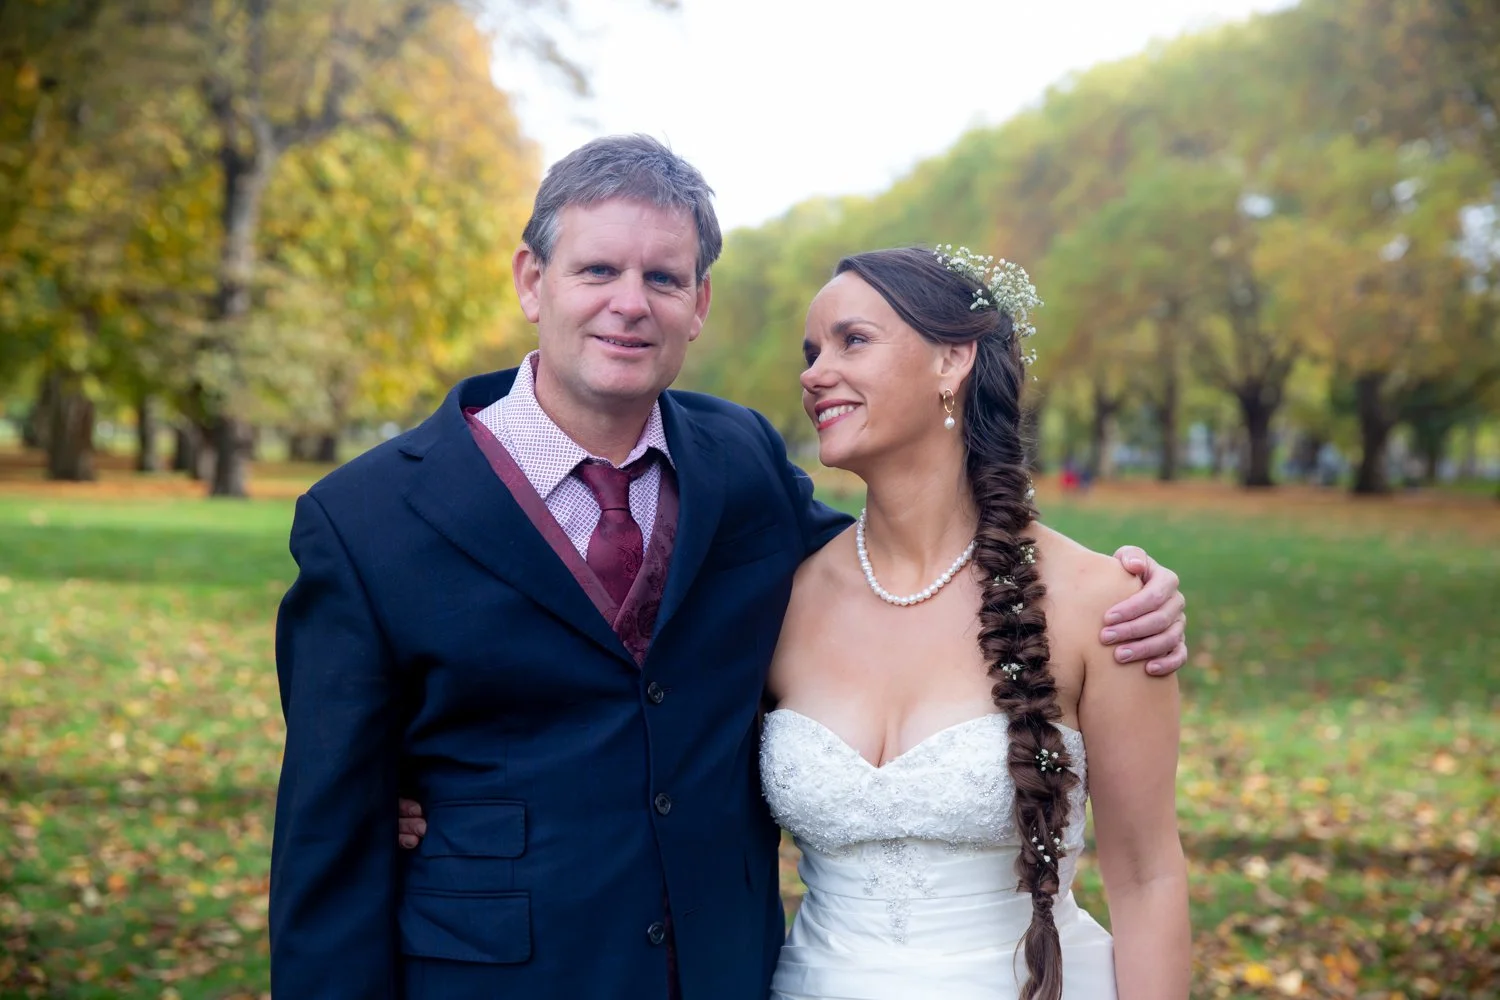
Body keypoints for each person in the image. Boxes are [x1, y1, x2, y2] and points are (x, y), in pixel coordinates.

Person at [272, 134, 1187, 1000]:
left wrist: (1121, 590)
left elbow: (920, 559)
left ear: (697, 305)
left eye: (662, 278)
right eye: (597, 269)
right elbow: (327, 849)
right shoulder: (365, 522)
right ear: (531, 280)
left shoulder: (741, 469)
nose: (630, 301)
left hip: (727, 972)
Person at [761, 247, 1188, 999]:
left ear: (952, 359)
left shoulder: (1102, 603)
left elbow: (1148, 876)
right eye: (811, 351)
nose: (813, 372)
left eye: (851, 340)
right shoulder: (784, 598)